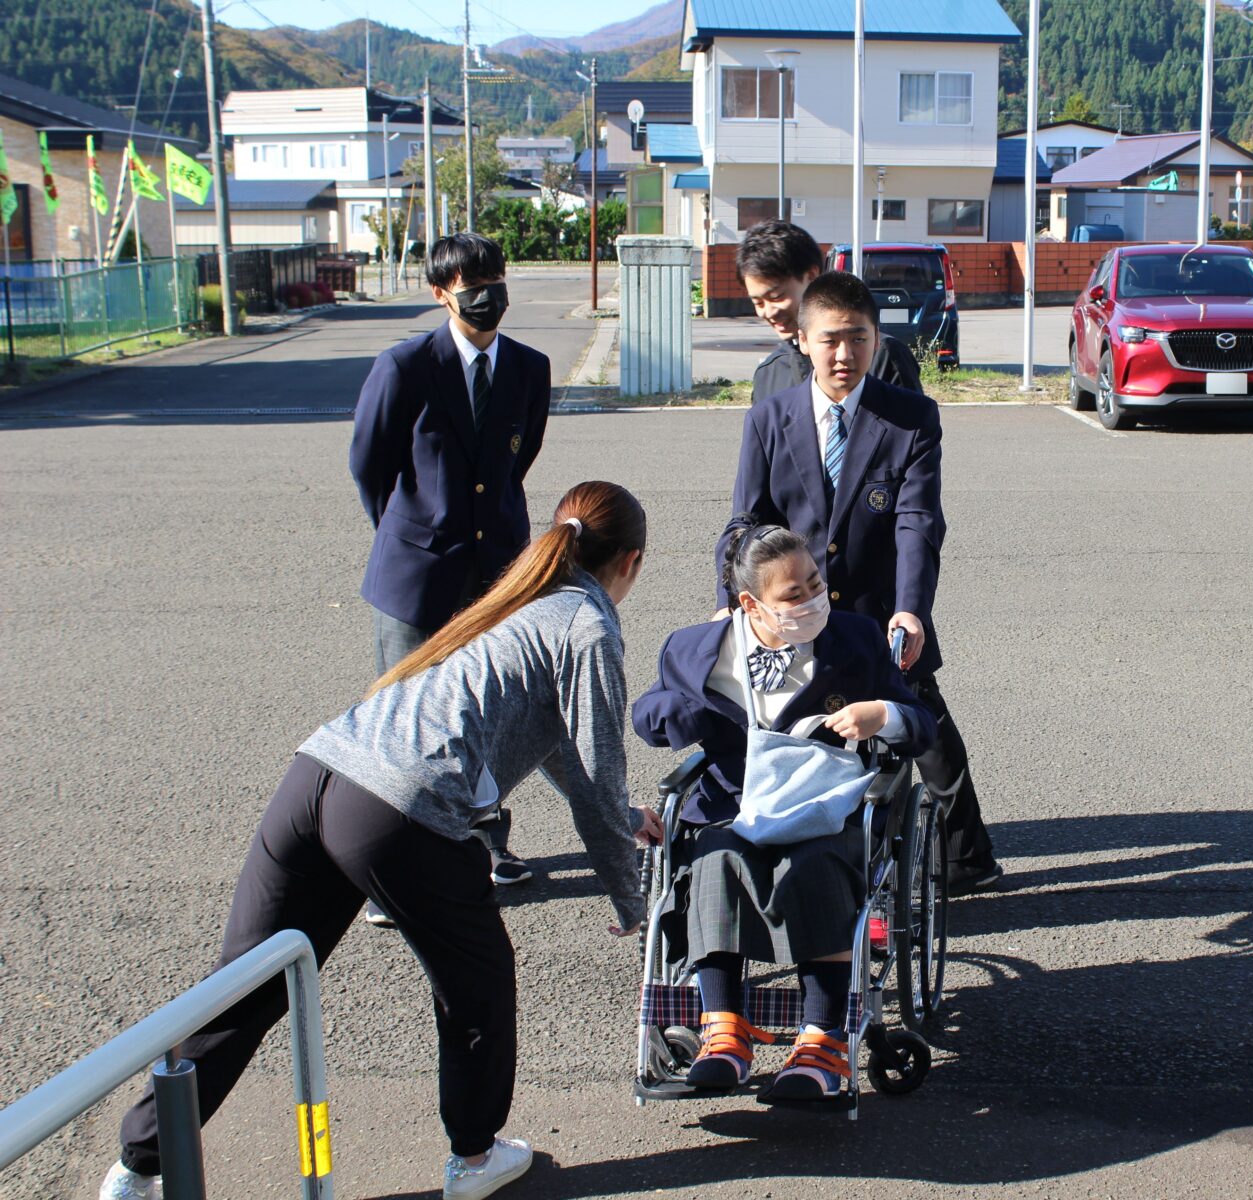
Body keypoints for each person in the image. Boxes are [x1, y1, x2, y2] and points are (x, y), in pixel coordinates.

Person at [99, 482, 660, 1200]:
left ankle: (138, 1166)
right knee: (477, 985)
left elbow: (553, 743)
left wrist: (623, 808)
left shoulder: (517, 601)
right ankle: (475, 1156)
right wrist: (627, 891)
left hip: (321, 773)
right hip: (402, 808)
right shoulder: (589, 623)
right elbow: (593, 768)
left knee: (245, 985)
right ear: (632, 563)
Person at [716, 270, 1001, 895]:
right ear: (803, 340)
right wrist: (729, 611)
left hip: (879, 613)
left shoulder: (910, 418)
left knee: (921, 728)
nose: (844, 354)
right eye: (829, 340)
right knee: (793, 729)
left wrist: (911, 609)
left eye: (859, 338)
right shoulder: (769, 417)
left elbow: (918, 520)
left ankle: (962, 857)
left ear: (878, 340)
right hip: (792, 615)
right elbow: (746, 523)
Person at [633, 524, 936, 1103]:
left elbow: (919, 724)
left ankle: (822, 1039)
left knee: (816, 863)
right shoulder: (695, 650)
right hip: (736, 803)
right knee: (714, 861)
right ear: (749, 604)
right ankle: (724, 1030)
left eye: (815, 583)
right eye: (793, 595)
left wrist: (882, 715)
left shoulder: (855, 638)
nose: (812, 600)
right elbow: (646, 714)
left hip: (822, 803)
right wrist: (682, 714)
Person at [350, 232, 551, 913]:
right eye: (472, 283)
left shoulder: (530, 367)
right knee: (404, 721)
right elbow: (370, 465)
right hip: (416, 576)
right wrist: (416, 533)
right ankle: (391, 863)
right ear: (441, 293)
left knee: (488, 713)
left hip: (496, 572)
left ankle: (489, 840)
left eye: (496, 277)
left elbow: (517, 462)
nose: (487, 292)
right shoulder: (405, 366)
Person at [736, 219, 923, 404]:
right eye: (758, 302)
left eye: (776, 296)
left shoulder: (883, 356)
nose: (769, 312)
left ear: (811, 276)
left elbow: (913, 430)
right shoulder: (770, 373)